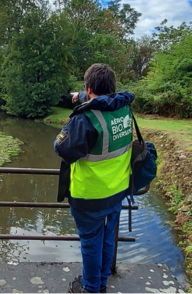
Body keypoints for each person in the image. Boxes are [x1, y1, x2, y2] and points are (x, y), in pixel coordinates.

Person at [53, 64, 134, 294]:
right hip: (118, 189)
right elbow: (105, 102)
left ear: (89, 88)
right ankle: (101, 282)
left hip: (89, 195)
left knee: (91, 242)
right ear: (112, 87)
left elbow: (61, 148)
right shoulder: (125, 109)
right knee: (108, 238)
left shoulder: (85, 119)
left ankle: (90, 289)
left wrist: (80, 106)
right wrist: (83, 96)